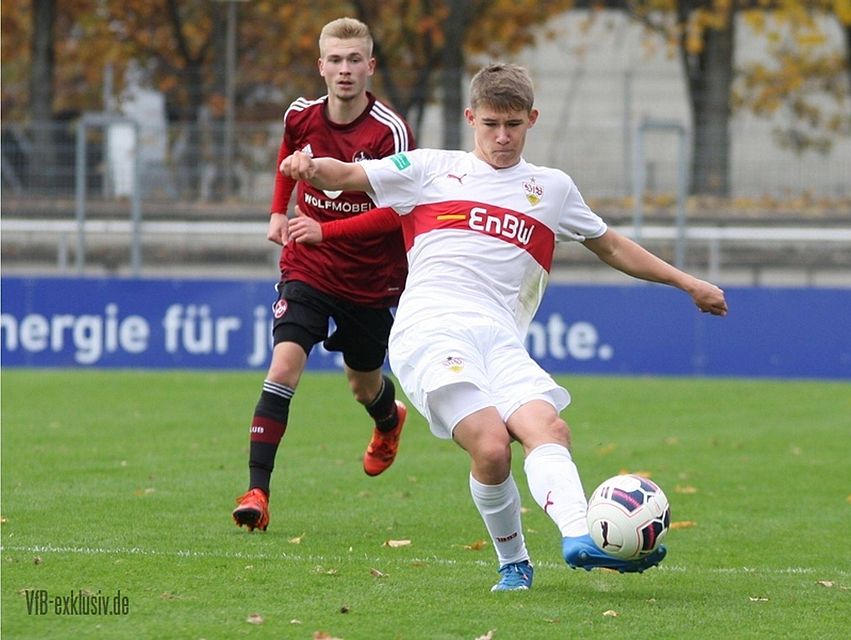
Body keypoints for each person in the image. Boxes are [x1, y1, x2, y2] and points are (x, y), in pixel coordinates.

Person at [279, 63, 728, 589]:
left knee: (549, 428)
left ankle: (580, 538)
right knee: (491, 446)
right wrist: (309, 167)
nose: (501, 137)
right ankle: (514, 561)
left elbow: (611, 246)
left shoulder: (553, 188)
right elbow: (348, 175)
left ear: (532, 119)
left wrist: (687, 283)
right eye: (490, 123)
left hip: (499, 338)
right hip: (430, 329)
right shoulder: (428, 168)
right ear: (470, 117)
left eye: (513, 125)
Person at [232, 17, 416, 532]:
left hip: (370, 278)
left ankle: (388, 418)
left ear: (370, 66)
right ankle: (257, 492)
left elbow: (397, 212)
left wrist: (326, 231)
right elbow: (288, 160)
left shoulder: (390, 131)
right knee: (283, 365)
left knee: (363, 383)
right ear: (321, 66)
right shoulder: (300, 114)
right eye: (335, 60)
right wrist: (277, 211)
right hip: (307, 267)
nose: (345, 70)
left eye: (354, 60)